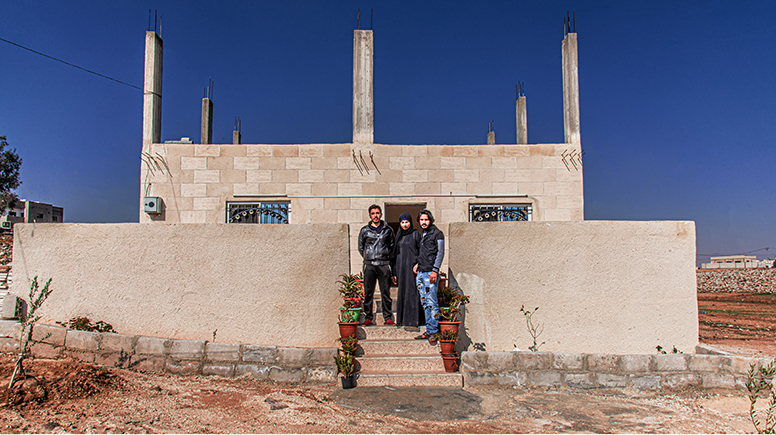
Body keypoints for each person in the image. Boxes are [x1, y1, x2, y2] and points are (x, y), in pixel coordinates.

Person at [357, 204, 395, 326]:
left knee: (385, 292)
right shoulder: (364, 230)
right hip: (370, 264)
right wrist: (368, 256)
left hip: (383, 264)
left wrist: (384, 257)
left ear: (381, 214)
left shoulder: (388, 230)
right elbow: (361, 247)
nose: (375, 215)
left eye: (377, 213)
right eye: (373, 213)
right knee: (368, 292)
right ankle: (369, 317)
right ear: (370, 215)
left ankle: (388, 317)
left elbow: (392, 246)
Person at [413, 209, 444, 343]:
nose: (423, 222)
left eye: (426, 219)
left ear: (430, 220)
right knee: (425, 303)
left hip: (430, 273)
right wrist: (417, 264)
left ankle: (434, 331)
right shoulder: (423, 234)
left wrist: (435, 270)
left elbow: (440, 253)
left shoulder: (438, 233)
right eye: (421, 220)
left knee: (432, 303)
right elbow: (424, 253)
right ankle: (429, 329)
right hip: (420, 272)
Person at [391, 212, 423, 329]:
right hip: (401, 268)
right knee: (403, 292)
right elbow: (394, 256)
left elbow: (421, 251)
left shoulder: (416, 235)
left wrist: (418, 264)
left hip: (413, 268)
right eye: (402, 222)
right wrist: (394, 273)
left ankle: (413, 320)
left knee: (413, 292)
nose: (405, 225)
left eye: (407, 222)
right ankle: (403, 320)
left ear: (411, 222)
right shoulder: (399, 236)